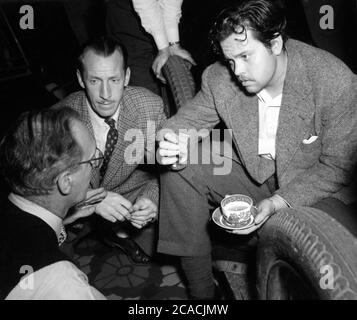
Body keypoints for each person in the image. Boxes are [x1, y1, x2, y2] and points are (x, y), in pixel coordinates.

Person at [156, 0, 357, 299]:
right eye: (230, 60)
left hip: (317, 190)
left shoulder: (333, 80)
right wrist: (171, 140)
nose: (237, 70)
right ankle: (202, 293)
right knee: (180, 172)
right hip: (257, 175)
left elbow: (336, 167)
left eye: (246, 56)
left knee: (332, 268)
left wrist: (278, 202)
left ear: (275, 43)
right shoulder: (219, 77)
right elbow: (189, 119)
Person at [54, 36, 167, 264]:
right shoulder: (59, 118)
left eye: (114, 80)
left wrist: (151, 200)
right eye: (95, 81)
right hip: (74, 201)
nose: (106, 94)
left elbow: (168, 169)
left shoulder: (149, 107)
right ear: (80, 79)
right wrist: (90, 200)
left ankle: (119, 235)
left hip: (129, 189)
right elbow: (38, 186)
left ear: (126, 77)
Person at [0, 107, 107, 300]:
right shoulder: (64, 284)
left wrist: (63, 220)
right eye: (92, 160)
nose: (94, 167)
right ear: (66, 181)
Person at [106, 0, 195, 95]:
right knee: (143, 85)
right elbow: (145, 3)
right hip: (129, 15)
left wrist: (174, 44)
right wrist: (164, 48)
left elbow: (171, 3)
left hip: (156, 10)